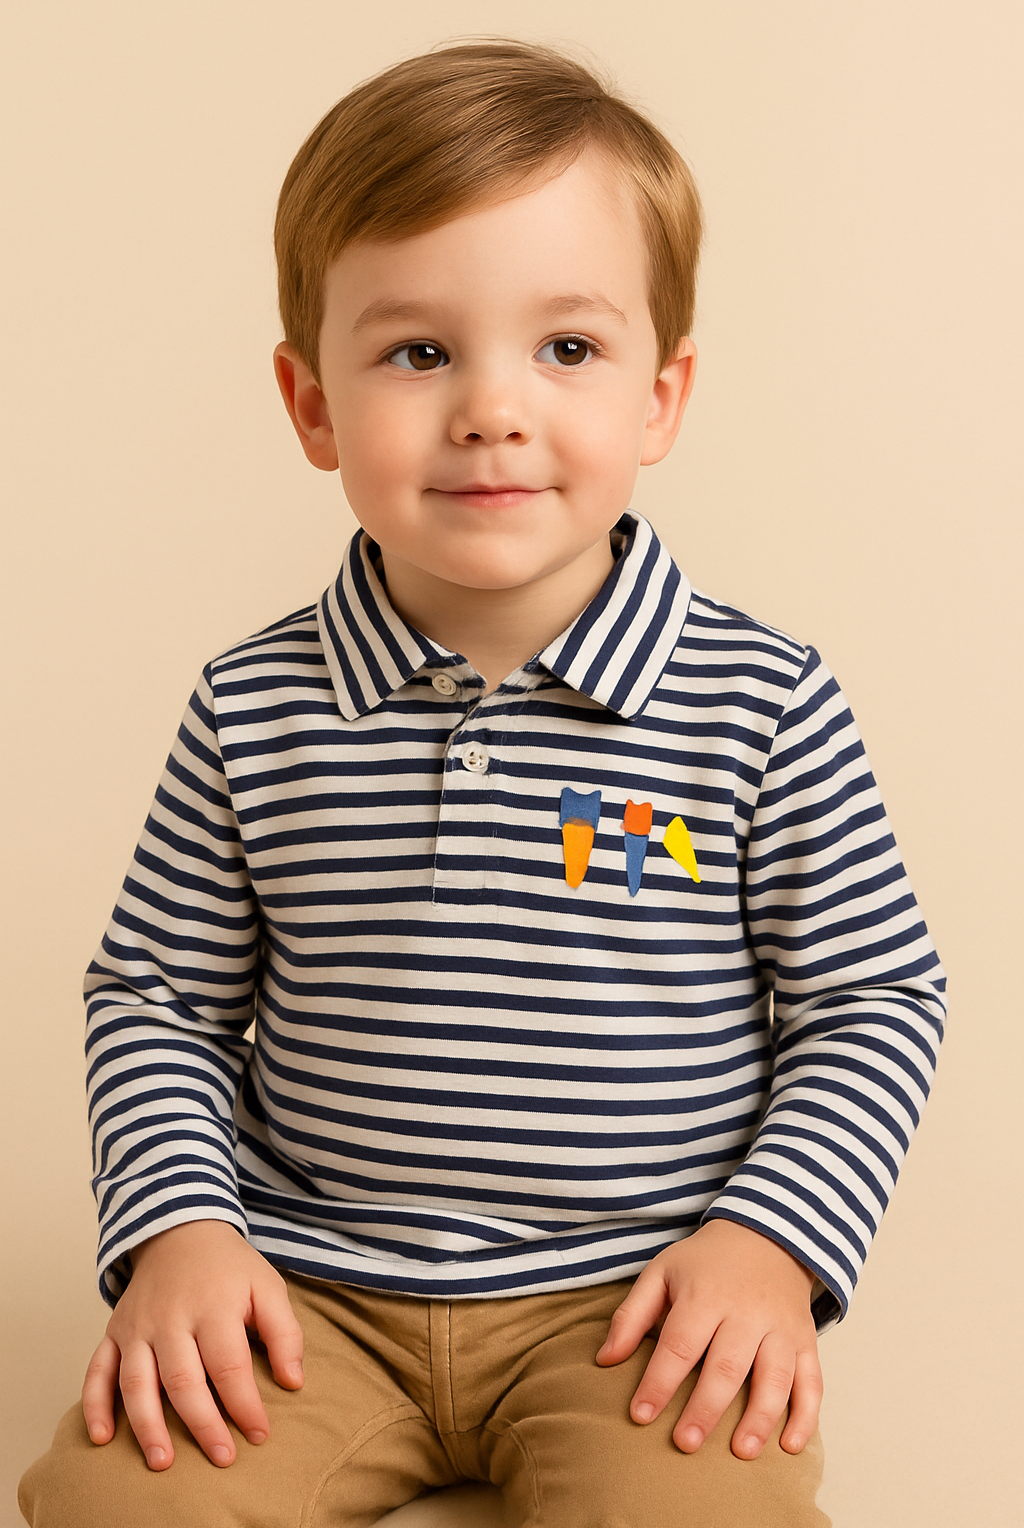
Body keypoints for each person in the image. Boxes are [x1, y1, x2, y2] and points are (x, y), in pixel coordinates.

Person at [19, 37, 945, 1528]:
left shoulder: (761, 703)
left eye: (566, 350)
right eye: (418, 352)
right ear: (312, 405)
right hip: (307, 1296)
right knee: (116, 1501)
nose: (491, 409)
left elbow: (874, 1001)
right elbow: (157, 1001)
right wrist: (183, 1233)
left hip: (635, 1304)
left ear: (662, 396)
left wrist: (769, 1246)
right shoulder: (252, 706)